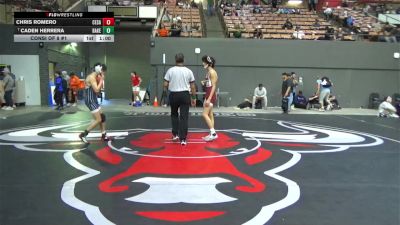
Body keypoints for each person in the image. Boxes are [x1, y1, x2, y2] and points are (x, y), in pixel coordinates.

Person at [164, 53, 196, 146]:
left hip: (173, 94)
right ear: (184, 60)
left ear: (175, 60)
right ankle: (183, 139)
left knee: (174, 114)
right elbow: (193, 86)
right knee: (184, 117)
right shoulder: (188, 71)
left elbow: (165, 84)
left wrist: (166, 94)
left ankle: (175, 135)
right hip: (184, 95)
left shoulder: (170, 70)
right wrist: (193, 97)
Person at [79, 63, 112, 143]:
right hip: (90, 101)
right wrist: (101, 80)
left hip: (93, 99)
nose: (103, 74)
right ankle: (83, 134)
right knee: (98, 119)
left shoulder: (95, 77)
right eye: (103, 72)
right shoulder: (91, 77)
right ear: (100, 70)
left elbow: (96, 92)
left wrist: (100, 80)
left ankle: (103, 135)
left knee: (102, 116)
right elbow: (97, 90)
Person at [201, 55, 219, 142]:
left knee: (204, 114)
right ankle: (211, 134)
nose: (203, 63)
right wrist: (204, 82)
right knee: (210, 114)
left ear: (208, 63)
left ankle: (213, 133)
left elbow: (214, 86)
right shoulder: (208, 72)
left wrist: (209, 99)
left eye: (204, 62)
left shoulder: (212, 72)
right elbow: (210, 83)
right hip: (208, 94)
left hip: (210, 95)